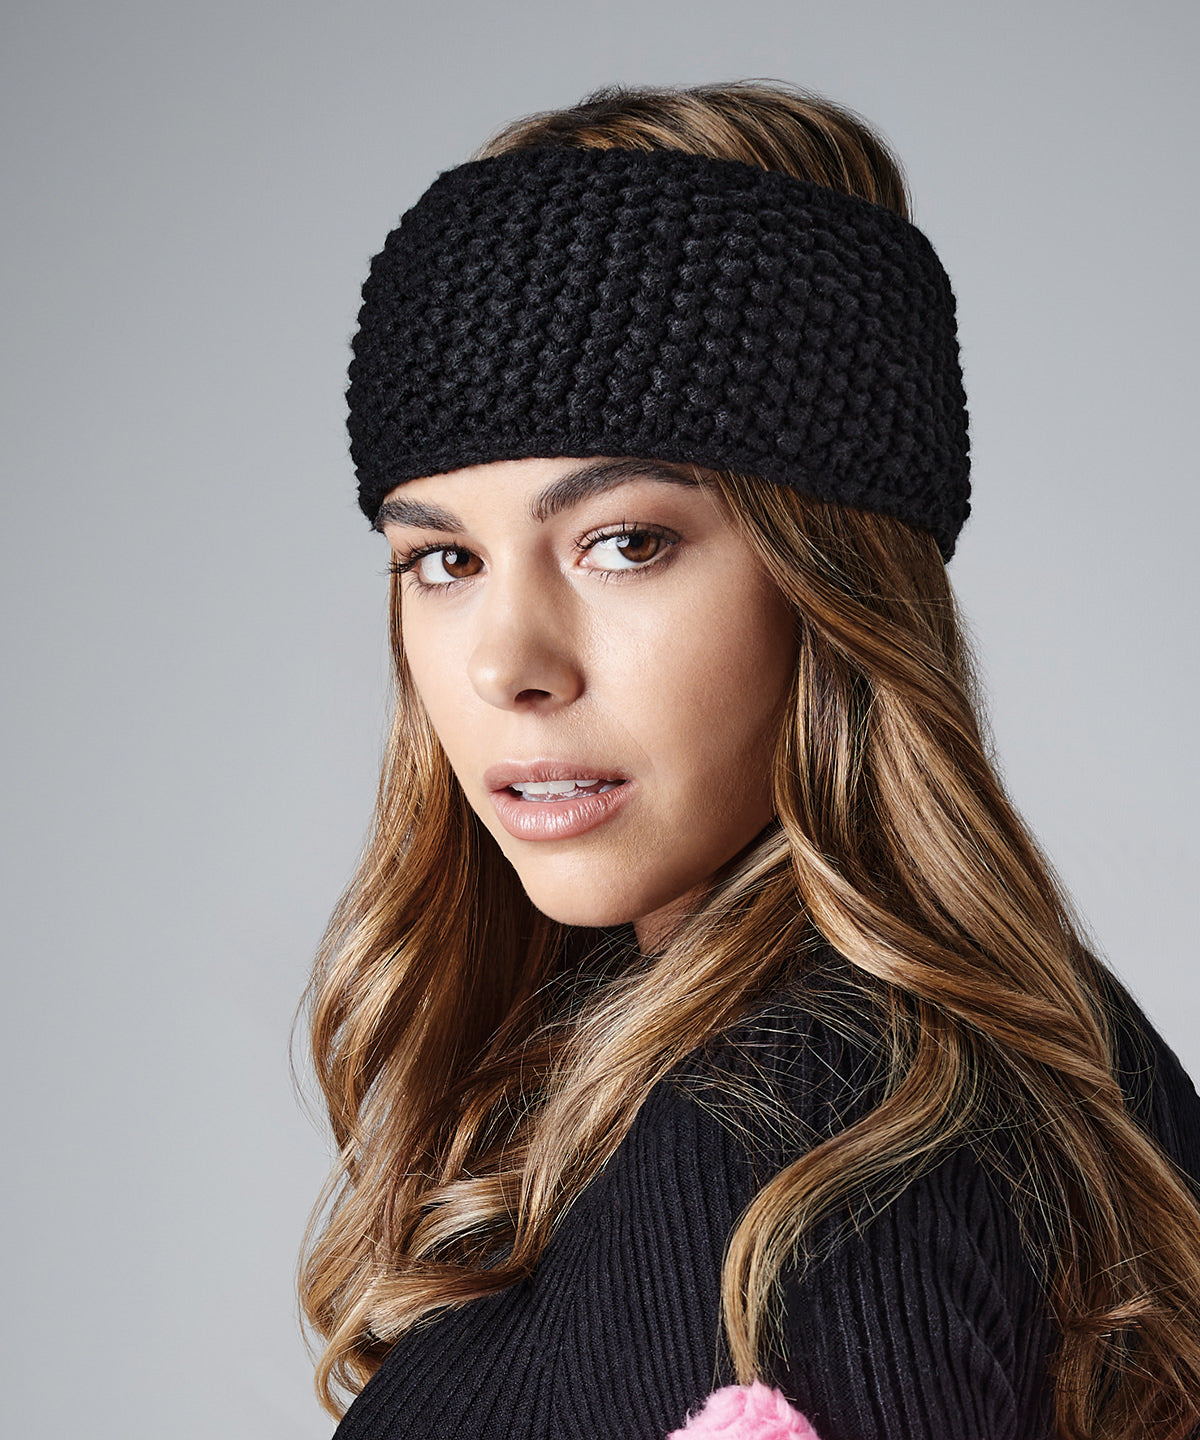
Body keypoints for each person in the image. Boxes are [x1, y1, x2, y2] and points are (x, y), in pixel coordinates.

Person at [299, 81, 1200, 1440]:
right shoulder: (999, 1055)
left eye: (624, 542)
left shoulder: (816, 1150)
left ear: (830, 576)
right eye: (443, 560)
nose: (506, 664)